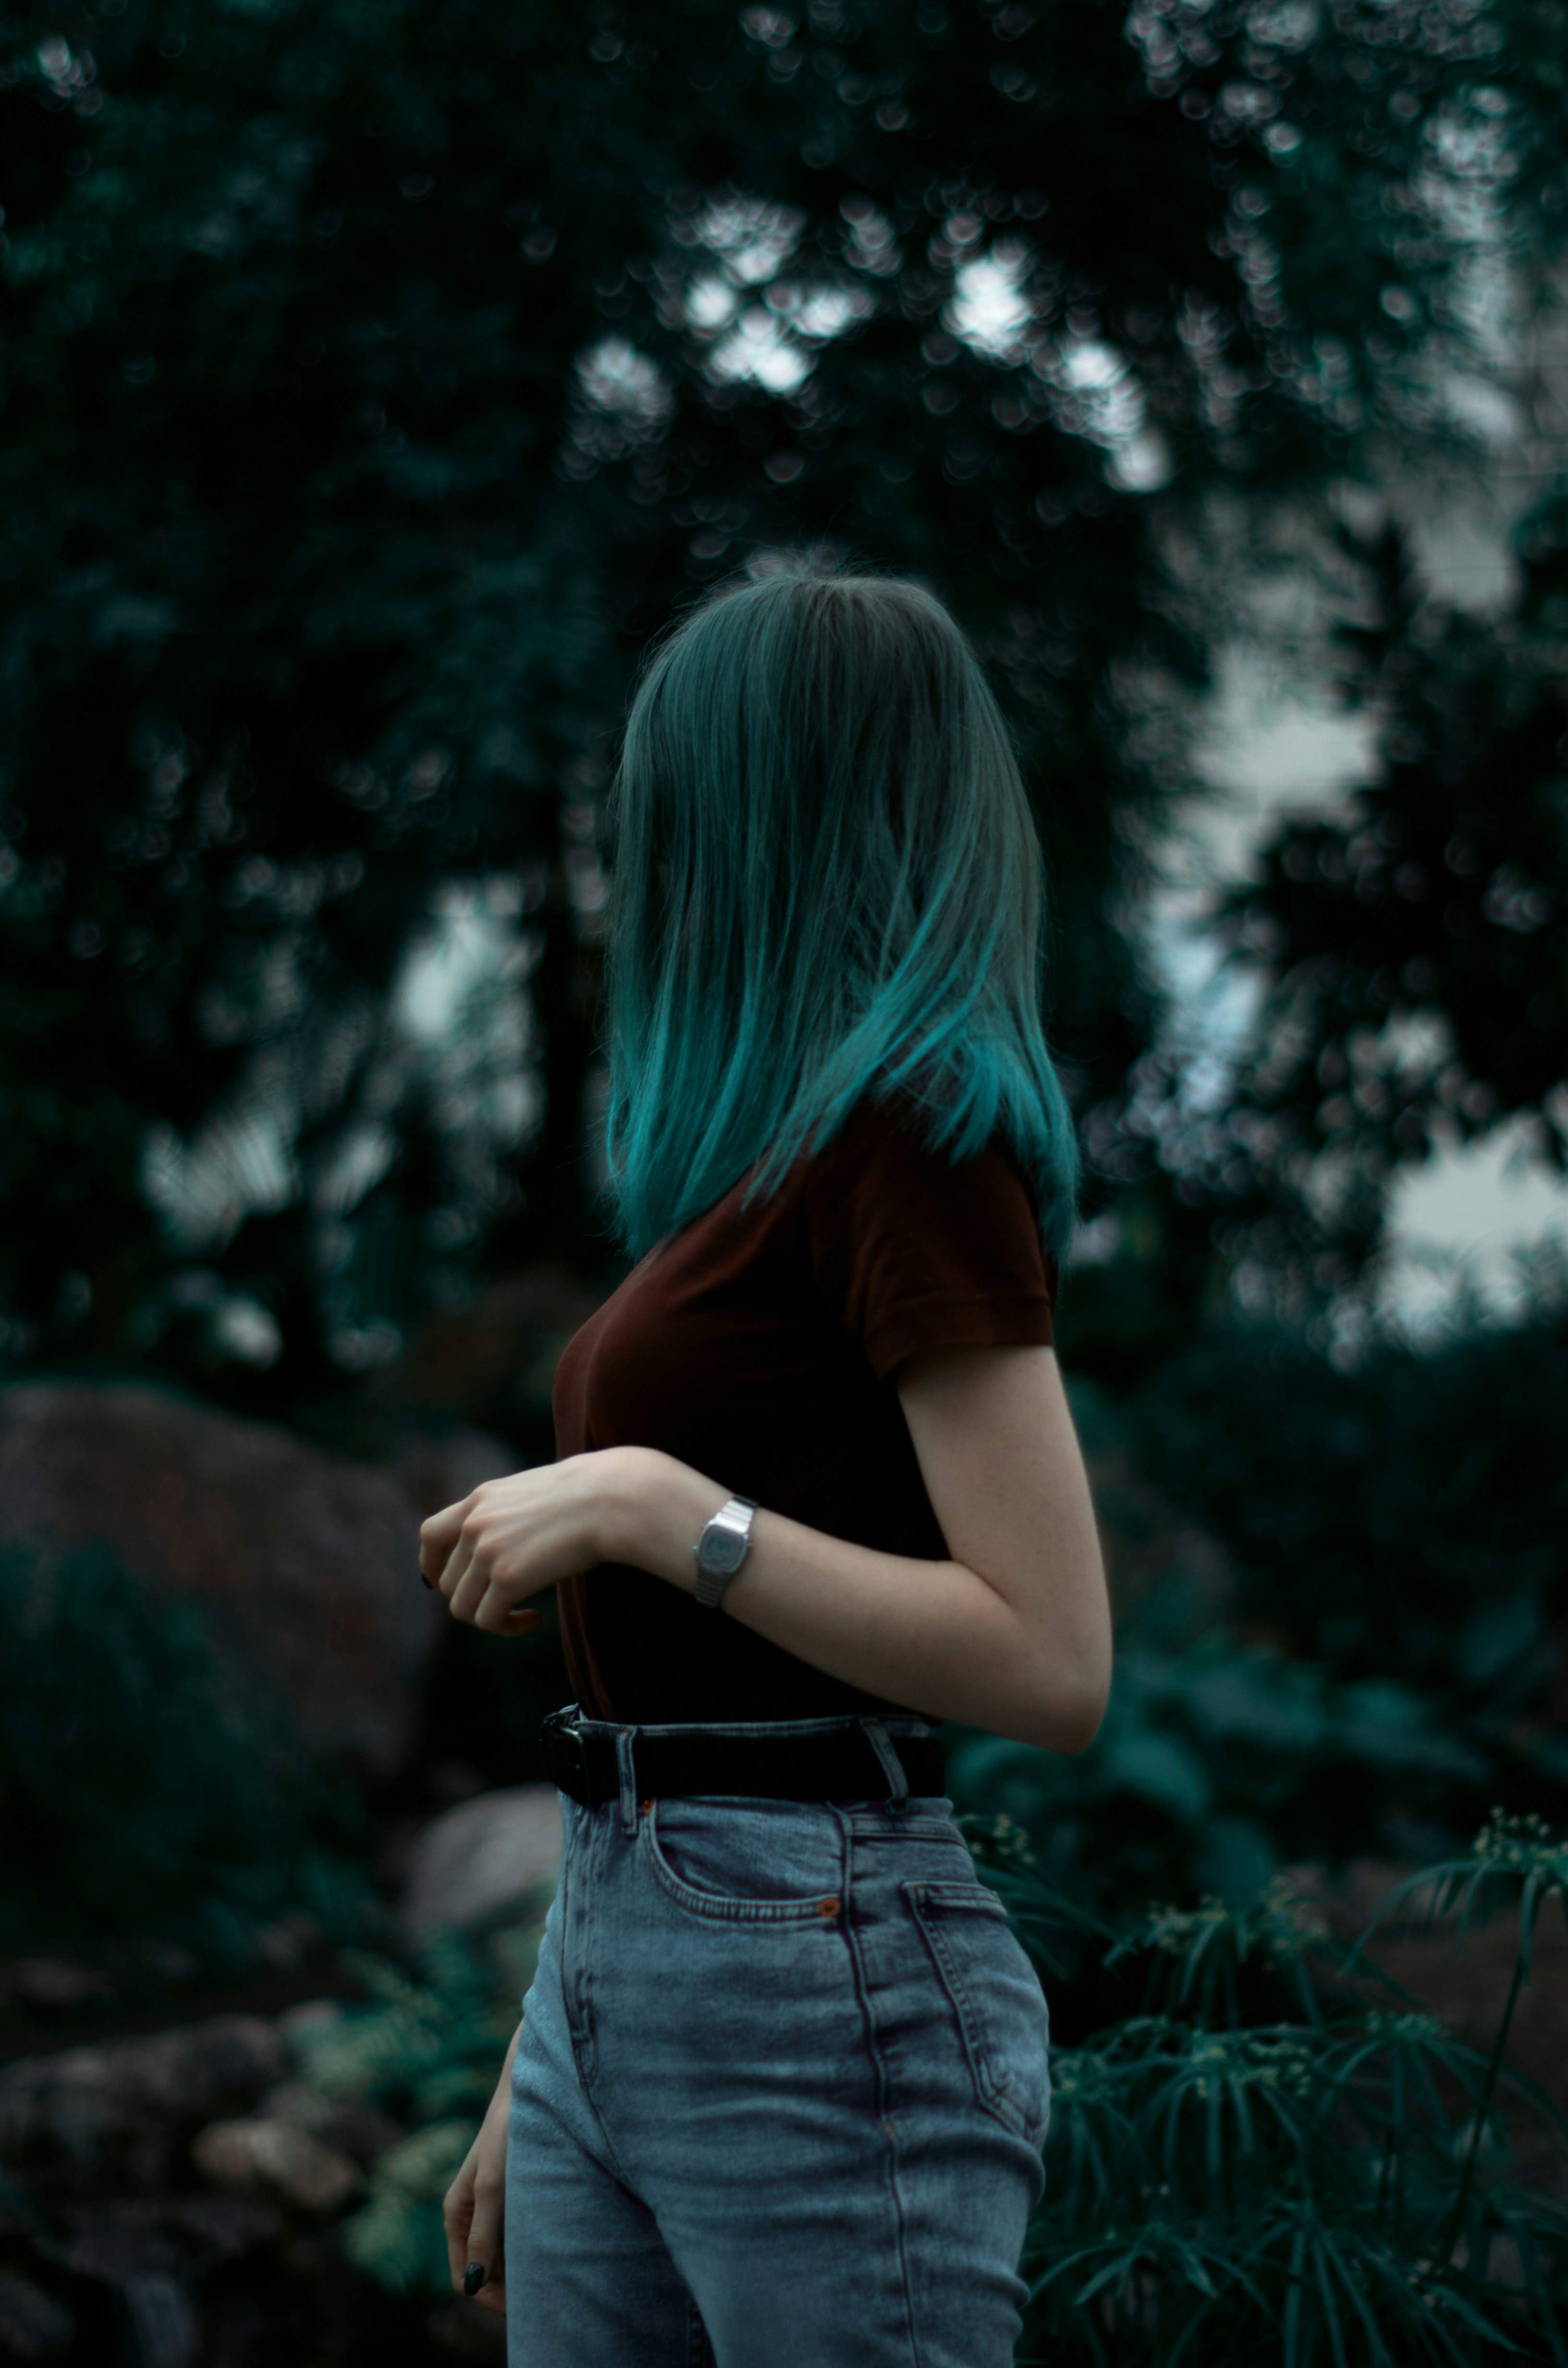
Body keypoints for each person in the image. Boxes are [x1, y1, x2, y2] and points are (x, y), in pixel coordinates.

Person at [419, 567, 1112, 2368]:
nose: (639, 856)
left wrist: (660, 1509)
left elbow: (1050, 1657)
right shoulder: (757, 1170)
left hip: (828, 1984)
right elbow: (674, 1708)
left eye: (665, 806)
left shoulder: (919, 1140)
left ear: (757, 808)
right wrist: (554, 2045)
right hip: (623, 1960)